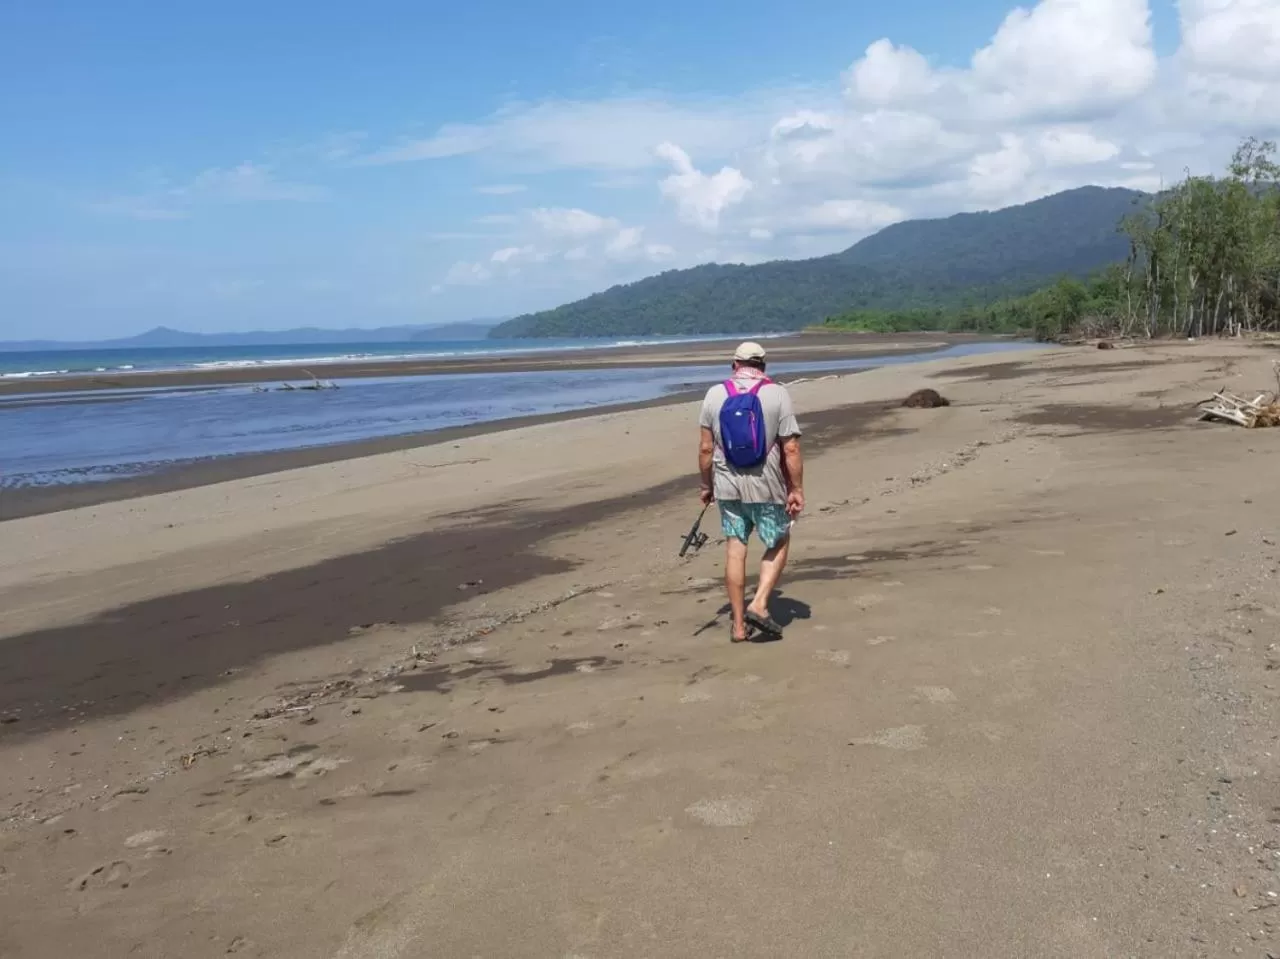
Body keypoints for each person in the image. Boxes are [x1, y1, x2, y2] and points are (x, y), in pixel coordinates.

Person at [698, 341, 804, 643]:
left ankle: (739, 627)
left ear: (734, 365)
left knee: (735, 546)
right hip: (767, 484)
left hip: (727, 485)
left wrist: (707, 485)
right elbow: (791, 447)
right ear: (763, 366)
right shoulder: (777, 393)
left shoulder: (714, 394)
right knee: (780, 538)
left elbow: (706, 448)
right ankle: (758, 603)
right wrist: (796, 489)